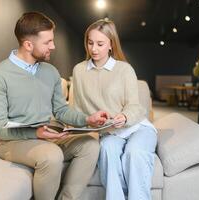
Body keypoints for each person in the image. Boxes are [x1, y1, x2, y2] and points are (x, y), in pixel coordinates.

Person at [0, 12, 109, 200]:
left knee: (90, 145)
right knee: (51, 156)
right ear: (28, 45)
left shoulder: (50, 71)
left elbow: (60, 110)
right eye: (47, 42)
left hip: (45, 136)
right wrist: (35, 133)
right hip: (10, 142)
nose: (53, 46)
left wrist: (87, 120)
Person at [71, 19, 157, 200]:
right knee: (108, 150)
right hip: (109, 133)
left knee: (135, 153)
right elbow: (77, 110)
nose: (94, 49)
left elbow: (135, 106)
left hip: (136, 127)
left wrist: (125, 117)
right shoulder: (79, 71)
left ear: (111, 44)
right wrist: (89, 120)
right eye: (90, 42)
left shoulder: (124, 69)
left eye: (100, 44)